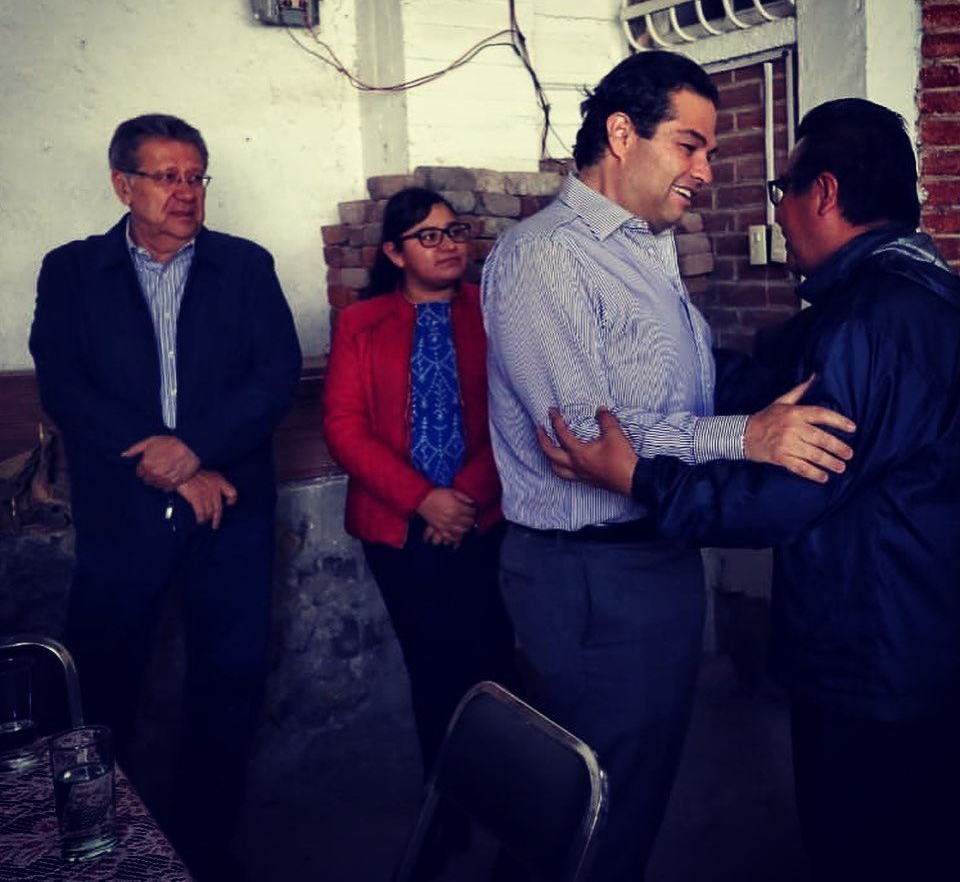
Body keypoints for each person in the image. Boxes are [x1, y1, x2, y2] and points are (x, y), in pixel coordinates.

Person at [538, 98, 960, 882]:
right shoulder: (908, 292)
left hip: (877, 651)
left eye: (781, 190)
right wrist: (662, 352)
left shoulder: (873, 319)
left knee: (866, 846)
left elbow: (786, 493)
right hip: (914, 629)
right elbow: (772, 383)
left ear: (823, 193)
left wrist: (637, 476)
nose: (778, 212)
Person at [480, 51, 854, 882]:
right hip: (588, 573)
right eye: (690, 145)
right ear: (622, 134)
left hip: (654, 551)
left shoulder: (646, 246)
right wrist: (745, 437)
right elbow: (586, 438)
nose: (706, 171)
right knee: (587, 810)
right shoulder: (545, 256)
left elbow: (681, 388)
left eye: (708, 151)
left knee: (625, 797)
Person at [29, 114, 302, 882]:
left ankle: (202, 851)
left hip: (231, 511)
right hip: (124, 514)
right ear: (124, 185)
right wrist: (177, 465)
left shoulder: (244, 266)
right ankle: (96, 851)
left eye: (195, 176)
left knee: (230, 680)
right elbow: (65, 386)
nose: (185, 192)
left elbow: (276, 376)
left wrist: (197, 449)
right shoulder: (73, 270)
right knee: (100, 679)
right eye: (166, 176)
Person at [322, 187, 518, 876]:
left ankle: (516, 809)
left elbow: (518, 413)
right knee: (434, 671)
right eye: (429, 236)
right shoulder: (361, 323)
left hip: (484, 521)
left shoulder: (493, 313)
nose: (449, 245)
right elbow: (344, 427)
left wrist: (462, 499)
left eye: (454, 231)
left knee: (496, 665)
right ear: (395, 252)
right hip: (397, 530)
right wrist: (423, 501)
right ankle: (446, 815)